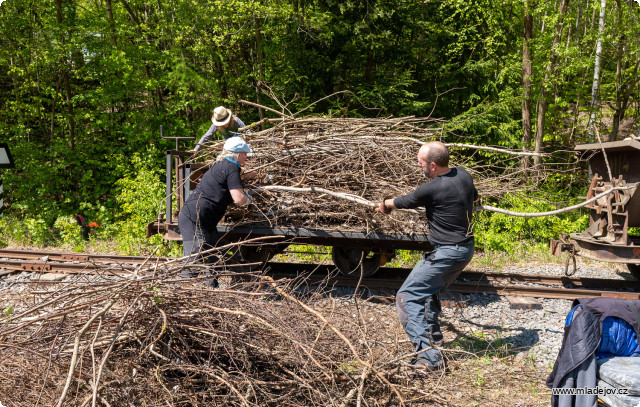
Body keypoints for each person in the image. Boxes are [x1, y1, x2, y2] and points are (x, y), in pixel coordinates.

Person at [378, 141, 478, 372]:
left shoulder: (432, 188)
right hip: (464, 249)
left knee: (407, 297)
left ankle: (429, 359)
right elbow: (473, 198)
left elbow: (404, 201)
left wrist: (384, 204)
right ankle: (435, 346)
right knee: (427, 294)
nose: (418, 165)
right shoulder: (463, 175)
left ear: (432, 165)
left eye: (420, 162)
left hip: (448, 252)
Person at [178, 137, 253, 277]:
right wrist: (248, 199)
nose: (246, 156)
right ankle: (182, 291)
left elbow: (235, 179)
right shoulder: (231, 168)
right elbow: (238, 199)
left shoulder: (224, 165)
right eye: (245, 153)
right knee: (193, 260)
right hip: (194, 219)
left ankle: (211, 287)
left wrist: (251, 174)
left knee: (213, 255)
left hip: (204, 220)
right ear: (238, 154)